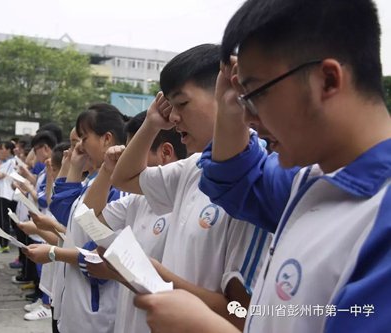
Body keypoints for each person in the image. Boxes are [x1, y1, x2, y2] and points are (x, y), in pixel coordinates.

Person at [137, 0, 391, 332]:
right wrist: (229, 104)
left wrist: (206, 326)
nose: (249, 118)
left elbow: (237, 310)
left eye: (257, 93)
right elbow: (235, 178)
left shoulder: (379, 215)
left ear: (327, 81)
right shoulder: (308, 181)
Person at [111, 44, 271, 330]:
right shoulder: (192, 167)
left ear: (227, 93)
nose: (173, 117)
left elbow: (241, 312)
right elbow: (123, 178)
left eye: (182, 104)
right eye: (169, 107)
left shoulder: (257, 181)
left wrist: (164, 280)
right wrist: (150, 124)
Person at [24, 103, 129, 333]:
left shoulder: (117, 188)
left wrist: (53, 253)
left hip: (95, 311)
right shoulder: (93, 181)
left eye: (83, 138)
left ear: (106, 139)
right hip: (73, 302)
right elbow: (64, 211)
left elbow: (101, 254)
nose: (78, 147)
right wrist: (74, 165)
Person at [82, 111, 186, 333]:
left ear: (166, 153)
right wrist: (107, 170)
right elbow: (89, 216)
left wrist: (116, 272)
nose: (124, 165)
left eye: (132, 154)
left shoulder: (186, 203)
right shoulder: (137, 200)